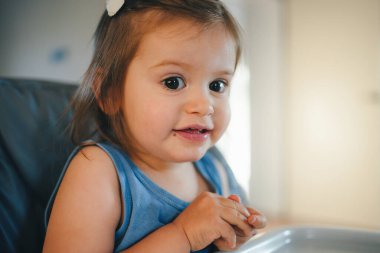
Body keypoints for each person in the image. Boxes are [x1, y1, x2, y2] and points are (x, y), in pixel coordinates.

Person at [43, 0, 266, 252]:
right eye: (173, 82)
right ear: (110, 92)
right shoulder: (98, 172)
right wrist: (182, 234)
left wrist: (237, 231)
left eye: (217, 85)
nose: (204, 105)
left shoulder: (215, 167)